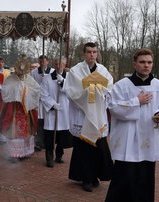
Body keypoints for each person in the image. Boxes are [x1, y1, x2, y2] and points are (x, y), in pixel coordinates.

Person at [106, 48, 159, 202]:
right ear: (134, 64)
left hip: (148, 138)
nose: (146, 65)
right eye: (142, 62)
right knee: (123, 178)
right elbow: (113, 108)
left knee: (145, 178)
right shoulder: (122, 85)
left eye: (149, 62)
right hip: (127, 139)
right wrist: (137, 102)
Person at [64, 42, 114, 192]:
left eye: (94, 52)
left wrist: (98, 88)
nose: (92, 54)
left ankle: (95, 176)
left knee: (98, 148)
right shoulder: (75, 71)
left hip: (98, 115)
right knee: (83, 149)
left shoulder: (103, 70)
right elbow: (71, 91)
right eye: (89, 52)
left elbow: (109, 87)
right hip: (82, 115)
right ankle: (85, 178)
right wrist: (88, 88)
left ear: (97, 53)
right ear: (83, 54)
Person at [0, 55, 40, 162]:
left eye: (23, 71)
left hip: (27, 110)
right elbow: (5, 90)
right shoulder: (10, 79)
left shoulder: (29, 79)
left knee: (26, 130)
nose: (21, 73)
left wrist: (26, 91)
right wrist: (16, 90)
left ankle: (25, 152)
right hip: (14, 109)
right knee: (14, 130)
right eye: (19, 71)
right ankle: (14, 153)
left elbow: (36, 89)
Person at [40, 57, 73, 168]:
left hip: (64, 111)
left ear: (64, 65)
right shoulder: (47, 78)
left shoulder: (69, 78)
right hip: (52, 112)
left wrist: (63, 83)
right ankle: (49, 157)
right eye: (57, 64)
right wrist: (52, 104)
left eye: (61, 64)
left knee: (61, 136)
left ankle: (59, 155)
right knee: (50, 136)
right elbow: (43, 94)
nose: (58, 66)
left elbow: (73, 92)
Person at [30, 55, 54, 151]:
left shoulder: (52, 72)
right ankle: (39, 143)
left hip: (48, 100)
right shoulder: (34, 72)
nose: (42, 63)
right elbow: (31, 85)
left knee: (48, 122)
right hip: (38, 100)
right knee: (39, 122)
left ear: (47, 61)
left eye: (43, 61)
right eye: (40, 62)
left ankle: (48, 142)